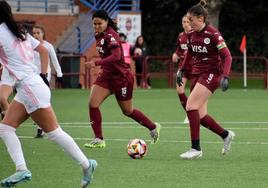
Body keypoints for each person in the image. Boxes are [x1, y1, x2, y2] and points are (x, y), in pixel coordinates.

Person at [0, 1, 97, 187]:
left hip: (30, 89)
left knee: (53, 132)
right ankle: (21, 170)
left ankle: (87, 165)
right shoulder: (18, 30)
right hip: (31, 86)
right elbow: (43, 50)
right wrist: (44, 76)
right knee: (5, 128)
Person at [84, 10, 160, 148]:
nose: (96, 26)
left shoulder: (112, 37)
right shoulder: (98, 35)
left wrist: (96, 63)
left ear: (106, 22)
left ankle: (153, 127)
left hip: (122, 78)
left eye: (99, 23)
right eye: (94, 24)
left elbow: (115, 56)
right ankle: (99, 139)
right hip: (107, 76)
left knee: (127, 111)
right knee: (92, 104)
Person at [177, 4, 235, 160]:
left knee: (190, 106)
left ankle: (196, 149)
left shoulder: (213, 34)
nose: (189, 23)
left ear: (201, 18)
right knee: (201, 116)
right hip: (198, 74)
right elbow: (189, 54)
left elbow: (227, 56)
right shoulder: (191, 35)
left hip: (211, 74)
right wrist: (182, 70)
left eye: (191, 19)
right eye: (187, 20)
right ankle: (226, 134)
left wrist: (226, 75)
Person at [32, 25, 63, 138]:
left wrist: (59, 74)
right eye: (34, 33)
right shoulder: (29, 46)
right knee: (32, 100)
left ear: (43, 34)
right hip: (32, 76)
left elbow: (54, 60)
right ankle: (38, 121)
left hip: (44, 76)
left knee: (42, 100)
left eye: (38, 33)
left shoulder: (48, 46)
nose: (35, 35)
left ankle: (40, 128)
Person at [172, 15, 192, 124]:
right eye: (183, 22)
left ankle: (195, 113)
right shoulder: (181, 36)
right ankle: (189, 114)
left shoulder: (196, 35)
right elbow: (178, 50)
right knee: (179, 90)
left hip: (195, 68)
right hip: (182, 68)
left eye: (187, 21)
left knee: (195, 93)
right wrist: (175, 54)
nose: (185, 24)